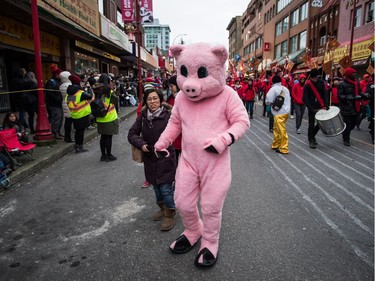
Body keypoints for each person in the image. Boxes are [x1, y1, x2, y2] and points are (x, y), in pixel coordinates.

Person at [128, 88, 177, 231]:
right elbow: (132, 134)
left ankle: (170, 213)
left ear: (161, 100)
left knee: (166, 188)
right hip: (150, 158)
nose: (152, 102)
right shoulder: (143, 116)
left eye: (155, 98)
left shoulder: (169, 115)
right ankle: (162, 208)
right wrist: (141, 144)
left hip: (166, 157)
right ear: (146, 102)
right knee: (156, 186)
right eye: (149, 99)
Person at [337, 68, 370, 146]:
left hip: (356, 107)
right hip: (347, 107)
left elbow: (359, 91)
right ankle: (346, 139)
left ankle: (345, 132)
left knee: (354, 123)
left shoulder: (356, 83)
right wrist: (351, 98)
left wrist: (364, 95)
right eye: (353, 74)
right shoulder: (342, 84)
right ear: (349, 74)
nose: (355, 75)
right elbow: (340, 96)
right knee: (348, 124)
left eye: (355, 73)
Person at [303, 68, 329, 149]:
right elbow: (305, 98)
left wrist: (326, 104)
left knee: (320, 124)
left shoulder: (321, 83)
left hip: (320, 106)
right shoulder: (307, 85)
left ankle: (312, 135)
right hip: (312, 107)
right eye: (315, 78)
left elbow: (325, 94)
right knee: (311, 124)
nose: (317, 79)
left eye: (318, 77)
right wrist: (309, 107)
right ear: (311, 77)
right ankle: (311, 140)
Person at [95, 74, 119, 162]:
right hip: (109, 117)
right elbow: (115, 102)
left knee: (103, 137)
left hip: (100, 117)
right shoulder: (109, 91)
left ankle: (103, 155)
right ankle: (109, 155)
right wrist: (114, 89)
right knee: (109, 137)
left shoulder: (96, 91)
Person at [66, 75, 93, 153]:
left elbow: (72, 103)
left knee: (77, 131)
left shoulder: (69, 93)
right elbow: (90, 97)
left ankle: (76, 146)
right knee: (81, 132)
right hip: (82, 114)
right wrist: (88, 88)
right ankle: (80, 147)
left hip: (74, 114)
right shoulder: (80, 93)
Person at [265, 75, 291, 154]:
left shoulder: (273, 89)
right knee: (276, 128)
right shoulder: (285, 88)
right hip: (286, 111)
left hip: (278, 112)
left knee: (281, 130)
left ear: (272, 81)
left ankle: (284, 147)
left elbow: (268, 100)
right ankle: (276, 144)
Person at [165, 75, 182, 165]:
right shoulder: (170, 98)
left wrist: (170, 108)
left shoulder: (186, 98)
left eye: (172, 86)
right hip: (173, 139)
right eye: (169, 86)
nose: (170, 89)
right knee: (173, 165)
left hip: (184, 139)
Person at [44, 64, 63, 139]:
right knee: (56, 118)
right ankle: (54, 132)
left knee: (60, 118)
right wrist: (58, 99)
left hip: (58, 103)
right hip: (54, 104)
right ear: (56, 75)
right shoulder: (51, 82)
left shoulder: (58, 82)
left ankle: (58, 131)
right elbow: (49, 93)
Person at [59, 71, 74, 143]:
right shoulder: (69, 85)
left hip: (64, 103)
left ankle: (67, 136)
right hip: (69, 104)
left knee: (67, 121)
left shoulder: (61, 85)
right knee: (70, 121)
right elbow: (71, 96)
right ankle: (68, 137)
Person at [366, 76, 374, 144]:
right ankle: (373, 138)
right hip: (372, 105)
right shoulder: (370, 85)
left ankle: (371, 128)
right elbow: (368, 94)